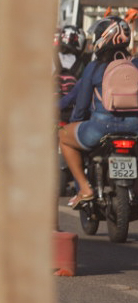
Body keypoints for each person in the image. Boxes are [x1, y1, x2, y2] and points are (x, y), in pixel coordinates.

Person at [59, 18, 138, 207]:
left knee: (63, 136)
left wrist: (74, 122)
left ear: (103, 38)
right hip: (135, 127)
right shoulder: (135, 65)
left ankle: (85, 189)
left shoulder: (94, 67)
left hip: (100, 127)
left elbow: (81, 105)